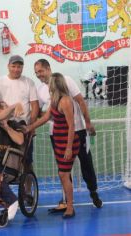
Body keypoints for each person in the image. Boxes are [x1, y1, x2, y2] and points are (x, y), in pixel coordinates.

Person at [34, 59, 103, 211]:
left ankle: (93, 193)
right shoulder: (40, 90)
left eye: (41, 71)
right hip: (57, 134)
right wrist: (32, 124)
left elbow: (80, 101)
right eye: (36, 72)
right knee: (63, 169)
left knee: (86, 162)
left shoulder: (66, 80)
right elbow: (39, 111)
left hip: (77, 130)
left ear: (48, 68)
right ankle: (66, 200)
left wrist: (88, 123)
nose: (39, 75)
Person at [26, 72, 80, 218]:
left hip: (68, 142)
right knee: (63, 174)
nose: (47, 86)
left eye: (50, 84)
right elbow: (45, 118)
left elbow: (71, 126)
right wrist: (29, 128)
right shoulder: (55, 100)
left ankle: (70, 207)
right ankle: (67, 204)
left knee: (63, 174)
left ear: (55, 85)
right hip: (58, 141)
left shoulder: (66, 101)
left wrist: (69, 148)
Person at [0, 55, 39, 174]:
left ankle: (27, 190)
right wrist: (5, 108)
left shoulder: (29, 82)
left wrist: (31, 126)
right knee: (1, 158)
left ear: (22, 68)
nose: (16, 69)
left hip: (23, 128)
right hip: (4, 128)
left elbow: (35, 106)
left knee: (27, 160)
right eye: (13, 66)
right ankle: (1, 186)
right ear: (8, 66)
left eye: (19, 66)